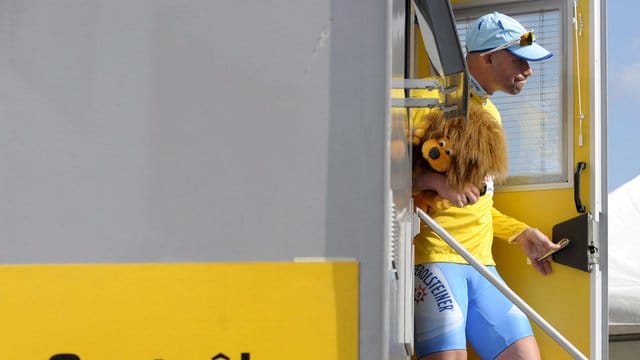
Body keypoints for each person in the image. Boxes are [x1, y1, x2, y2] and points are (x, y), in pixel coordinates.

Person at [412, 12, 561, 360]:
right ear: (488, 57)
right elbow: (376, 179)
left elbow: (479, 202)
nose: (529, 70)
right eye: (520, 60)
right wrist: (435, 181)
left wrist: (520, 232)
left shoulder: (490, 112)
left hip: (482, 264)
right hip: (435, 259)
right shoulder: (425, 98)